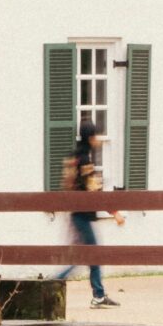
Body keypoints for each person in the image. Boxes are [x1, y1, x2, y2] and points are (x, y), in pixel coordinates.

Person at [58, 115, 124, 307]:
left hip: (75, 214)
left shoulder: (74, 157)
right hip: (82, 216)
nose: (98, 139)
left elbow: (69, 185)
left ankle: (96, 293)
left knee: (83, 255)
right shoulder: (85, 160)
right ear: (90, 137)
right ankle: (96, 295)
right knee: (91, 254)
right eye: (95, 135)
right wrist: (114, 212)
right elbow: (94, 189)